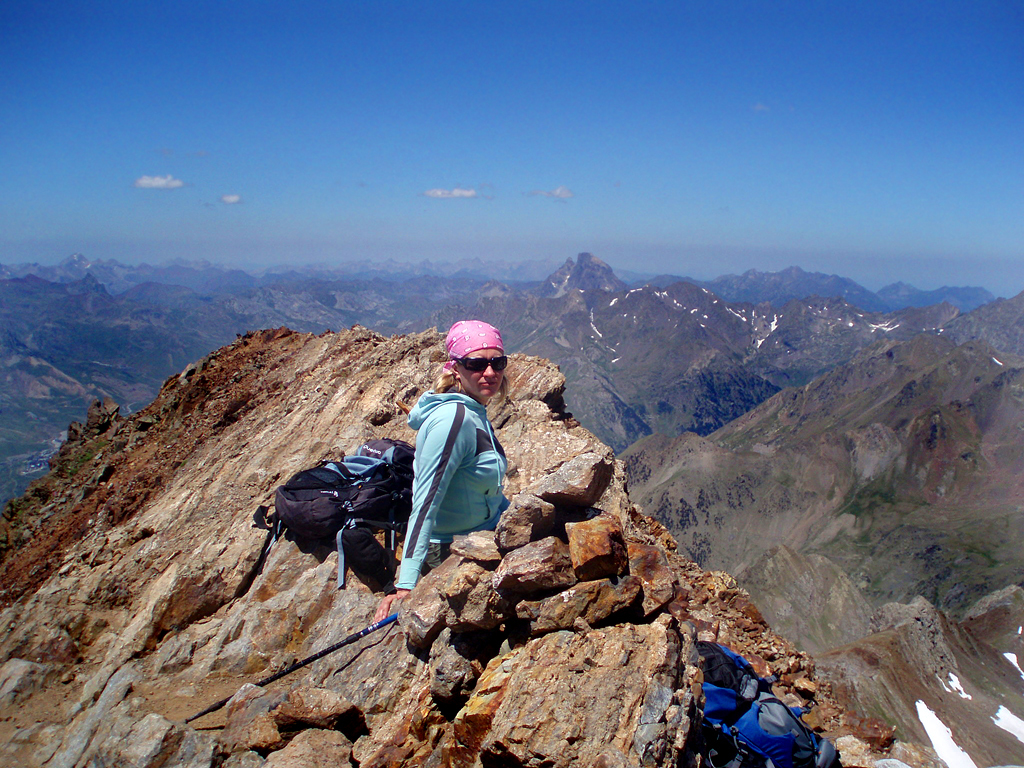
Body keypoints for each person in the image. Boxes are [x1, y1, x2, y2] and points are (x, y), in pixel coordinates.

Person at [374, 320, 510, 621]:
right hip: (454, 551)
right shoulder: (454, 420)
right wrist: (406, 585)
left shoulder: (473, 408)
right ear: (455, 368)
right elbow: (424, 503)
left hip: (480, 536)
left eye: (497, 362)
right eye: (476, 363)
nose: (490, 372)